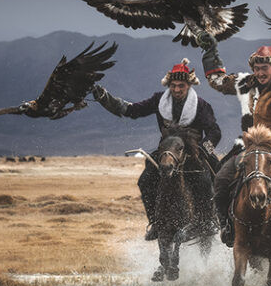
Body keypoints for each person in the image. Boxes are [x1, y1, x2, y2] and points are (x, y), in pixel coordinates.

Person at [198, 32, 271, 249]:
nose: (260, 72)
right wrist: (209, 52)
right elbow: (217, 81)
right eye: (257, 68)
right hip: (249, 145)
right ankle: (226, 225)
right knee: (222, 179)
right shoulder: (245, 82)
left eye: (264, 68)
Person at [93, 58, 221, 240]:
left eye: (181, 86)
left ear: (189, 85)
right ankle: (155, 222)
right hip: (166, 151)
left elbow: (214, 131)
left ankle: (207, 222)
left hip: (194, 151)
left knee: (209, 180)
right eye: (173, 85)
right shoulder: (158, 100)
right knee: (145, 180)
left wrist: (204, 150)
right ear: (168, 84)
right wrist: (105, 99)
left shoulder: (201, 106)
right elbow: (132, 110)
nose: (176, 89)